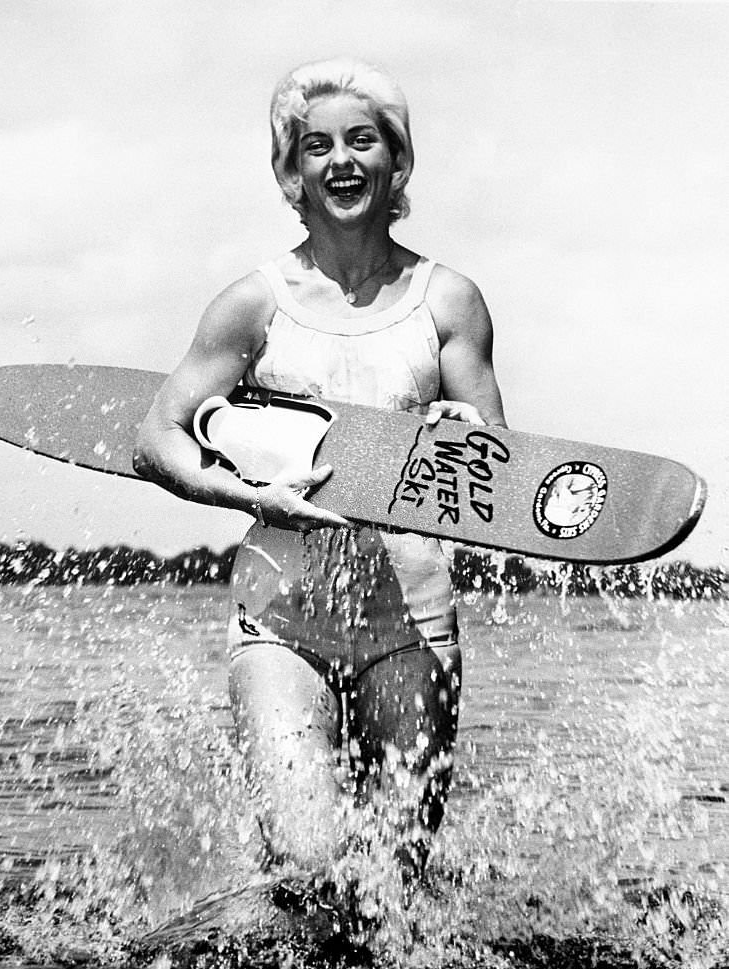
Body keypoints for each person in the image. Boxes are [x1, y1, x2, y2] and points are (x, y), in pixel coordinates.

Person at [134, 57, 506, 884]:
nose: (340, 160)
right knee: (307, 862)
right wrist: (243, 491)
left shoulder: (448, 301)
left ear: (396, 161)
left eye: (361, 141)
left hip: (410, 620)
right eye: (316, 146)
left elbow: (495, 471)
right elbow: (157, 436)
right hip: (279, 613)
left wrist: (465, 434)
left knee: (393, 880)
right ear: (290, 173)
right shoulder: (253, 303)